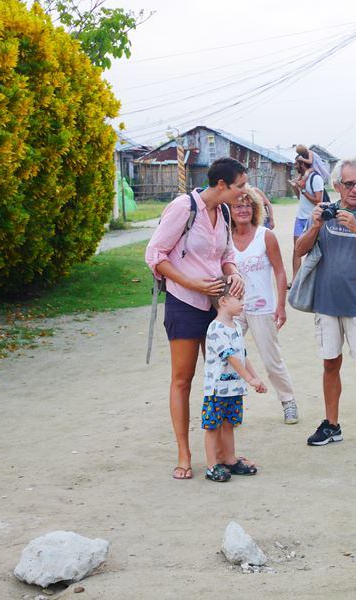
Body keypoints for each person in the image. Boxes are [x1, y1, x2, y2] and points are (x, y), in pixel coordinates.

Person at [145, 157, 247, 480]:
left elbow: (226, 255)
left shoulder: (225, 212)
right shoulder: (183, 208)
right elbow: (154, 255)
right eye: (240, 186)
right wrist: (191, 283)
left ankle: (225, 455)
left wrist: (234, 272)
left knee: (222, 375)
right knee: (183, 378)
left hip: (217, 305)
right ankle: (184, 454)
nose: (244, 192)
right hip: (185, 302)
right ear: (221, 184)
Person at [294, 158, 356, 448]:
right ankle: (331, 424)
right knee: (330, 363)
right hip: (326, 302)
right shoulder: (325, 213)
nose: (354, 189)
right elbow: (300, 249)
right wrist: (315, 225)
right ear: (336, 186)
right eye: (348, 184)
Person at [229, 187, 299, 424]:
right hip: (234, 308)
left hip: (262, 306)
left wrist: (281, 306)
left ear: (255, 209)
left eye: (247, 205)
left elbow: (279, 271)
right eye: (237, 206)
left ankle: (288, 401)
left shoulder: (265, 236)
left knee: (271, 359)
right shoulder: (224, 239)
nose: (243, 210)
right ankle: (232, 407)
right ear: (229, 210)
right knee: (229, 355)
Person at [202, 287, 266, 482]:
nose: (243, 303)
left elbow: (242, 356)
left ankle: (230, 459)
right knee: (213, 426)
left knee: (229, 424)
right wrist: (249, 379)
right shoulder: (216, 329)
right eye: (238, 298)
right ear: (223, 301)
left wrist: (255, 378)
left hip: (234, 388)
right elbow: (230, 357)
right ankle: (212, 465)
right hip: (217, 389)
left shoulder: (236, 326)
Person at [290, 160, 324, 282]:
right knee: (297, 249)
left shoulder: (316, 178)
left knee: (316, 250)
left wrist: (303, 190)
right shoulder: (301, 179)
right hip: (300, 218)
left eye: (296, 164)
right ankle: (295, 280)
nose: (294, 166)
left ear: (302, 164)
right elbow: (300, 197)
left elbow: (318, 200)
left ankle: (314, 280)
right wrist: (296, 187)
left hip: (313, 218)